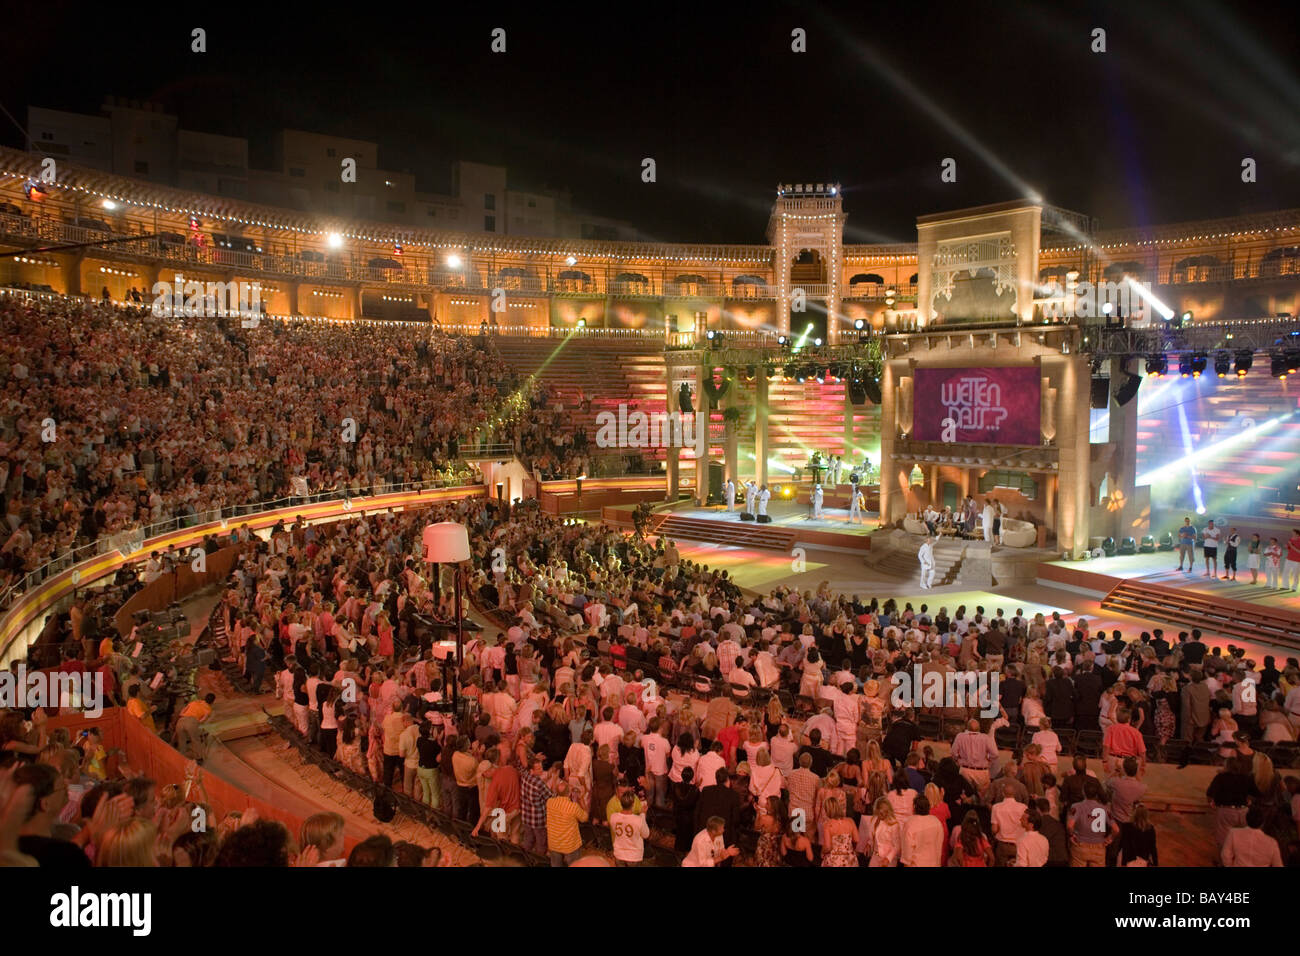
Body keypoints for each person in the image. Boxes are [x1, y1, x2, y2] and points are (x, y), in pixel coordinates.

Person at [609, 791, 650, 866]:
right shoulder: (639, 820)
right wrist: (643, 814)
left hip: (619, 854)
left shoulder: (613, 817)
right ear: (633, 804)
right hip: (634, 856)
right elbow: (646, 834)